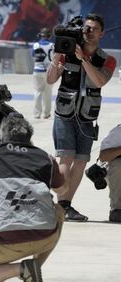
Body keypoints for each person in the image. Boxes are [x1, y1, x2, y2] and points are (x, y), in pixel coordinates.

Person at [0, 113, 65, 282]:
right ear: (30, 137)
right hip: (45, 235)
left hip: (7, 239)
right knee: (59, 210)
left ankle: (22, 268)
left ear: (2, 136)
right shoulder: (46, 157)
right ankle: (35, 266)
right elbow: (63, 190)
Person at [46, 13, 117, 221]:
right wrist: (57, 58)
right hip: (65, 112)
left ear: (101, 33)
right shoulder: (65, 51)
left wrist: (83, 59)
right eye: (86, 28)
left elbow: (99, 81)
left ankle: (65, 205)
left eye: (94, 29)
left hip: (87, 116)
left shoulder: (108, 59)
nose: (88, 32)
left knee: (81, 162)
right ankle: (59, 206)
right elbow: (50, 80)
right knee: (66, 159)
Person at [98, 124, 121, 222]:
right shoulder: (118, 132)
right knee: (118, 165)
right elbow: (103, 157)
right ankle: (117, 209)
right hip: (116, 170)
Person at [32, 27, 54, 119]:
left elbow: (33, 55)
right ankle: (46, 113)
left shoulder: (35, 45)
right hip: (49, 71)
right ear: (49, 35)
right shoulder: (53, 45)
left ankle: (37, 114)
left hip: (37, 70)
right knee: (48, 93)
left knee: (38, 92)